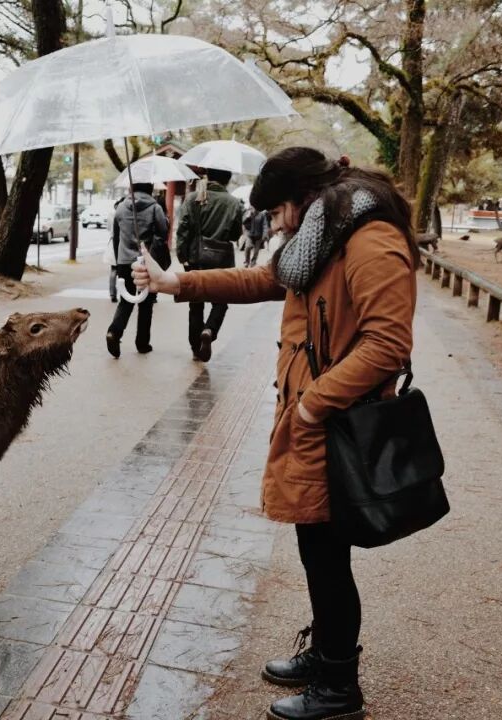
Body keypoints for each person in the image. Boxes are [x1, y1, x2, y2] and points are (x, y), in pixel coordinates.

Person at [134, 147, 418, 720]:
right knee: (317, 549)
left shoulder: (370, 239)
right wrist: (176, 283)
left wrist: (314, 404)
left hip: (338, 422)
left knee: (328, 554)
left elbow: (389, 344)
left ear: (303, 200)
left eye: (280, 211)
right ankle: (326, 653)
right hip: (314, 419)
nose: (278, 223)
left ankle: (339, 686)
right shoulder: (324, 235)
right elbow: (264, 278)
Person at [175, 168, 244, 361]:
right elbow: (235, 234)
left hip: (196, 257)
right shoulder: (233, 202)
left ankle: (196, 346)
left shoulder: (194, 198)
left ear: (208, 176)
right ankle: (210, 330)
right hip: (222, 259)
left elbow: (183, 230)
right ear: (228, 180)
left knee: (195, 303)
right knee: (221, 300)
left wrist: (183, 256)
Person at [105, 183, 169, 357]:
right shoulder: (155, 208)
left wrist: (119, 262)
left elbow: (116, 237)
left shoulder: (121, 208)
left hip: (124, 261)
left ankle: (114, 332)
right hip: (146, 261)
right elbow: (163, 233)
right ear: (150, 190)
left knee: (126, 301)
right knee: (146, 304)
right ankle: (142, 343)